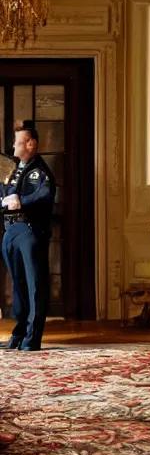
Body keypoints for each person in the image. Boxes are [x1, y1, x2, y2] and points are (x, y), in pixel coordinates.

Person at [0, 124, 56, 351]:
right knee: (18, 287)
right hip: (10, 232)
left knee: (34, 286)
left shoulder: (40, 171)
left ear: (31, 143)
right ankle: (20, 332)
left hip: (29, 230)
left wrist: (21, 201)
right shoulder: (12, 170)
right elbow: (4, 194)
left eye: (18, 141)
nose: (14, 145)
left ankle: (32, 337)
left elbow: (46, 193)